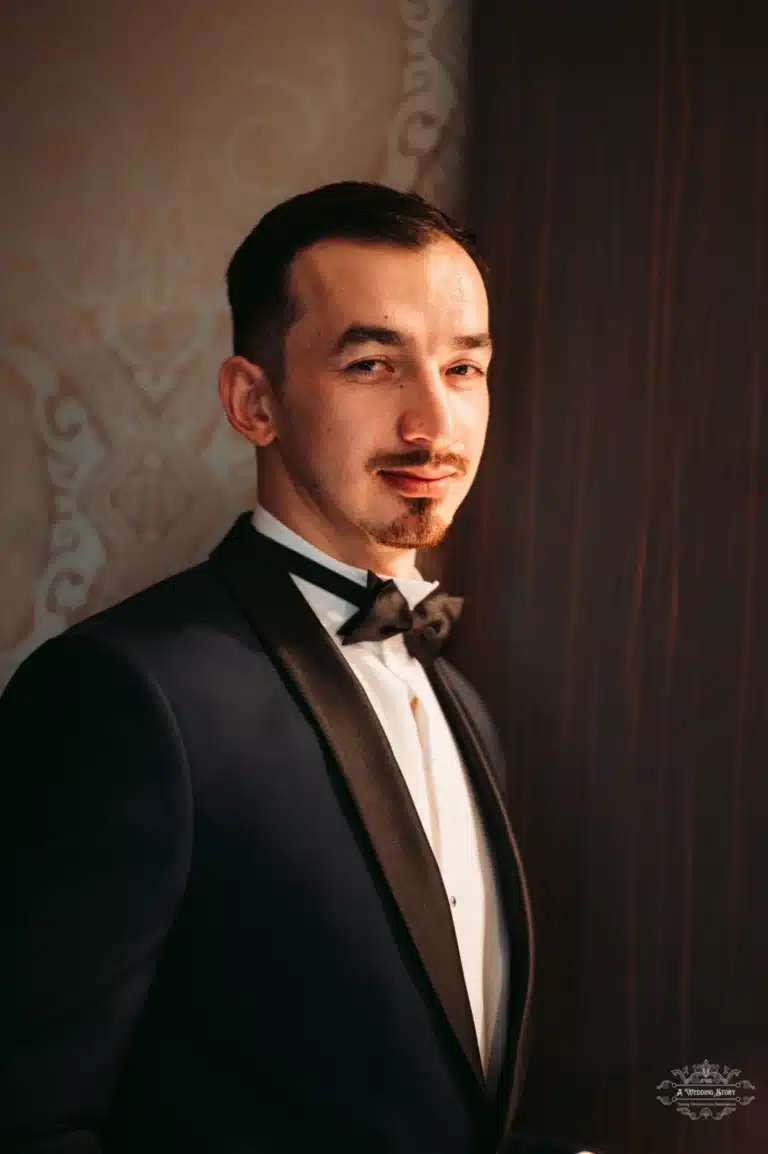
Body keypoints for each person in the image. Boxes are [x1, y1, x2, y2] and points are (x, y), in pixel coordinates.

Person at [0, 181, 601, 1154]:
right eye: (372, 363)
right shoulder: (120, 695)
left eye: (463, 367)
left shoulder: (464, 702)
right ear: (254, 399)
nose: (432, 424)